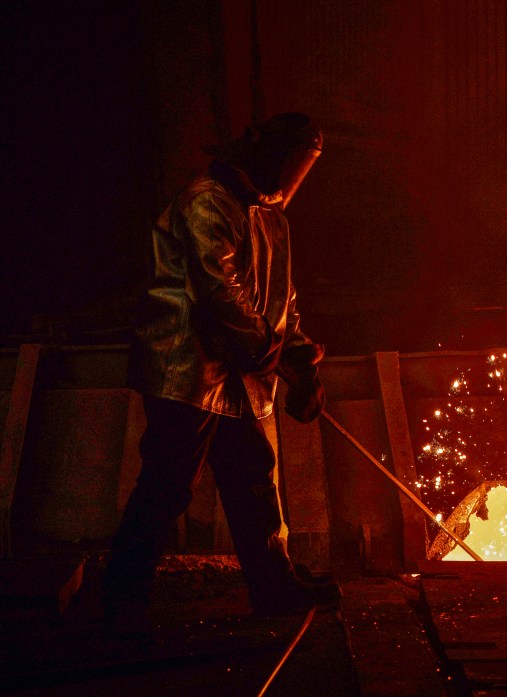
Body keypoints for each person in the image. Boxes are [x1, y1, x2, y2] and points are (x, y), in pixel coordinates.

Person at [103, 112, 337, 640]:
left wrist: (299, 360)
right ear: (268, 155)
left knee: (253, 476)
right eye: (295, 163)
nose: (296, 177)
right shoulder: (207, 202)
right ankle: (122, 602)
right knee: (167, 485)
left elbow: (280, 301)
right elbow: (219, 296)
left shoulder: (270, 213)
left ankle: (273, 586)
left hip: (233, 373)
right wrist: (276, 360)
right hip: (186, 368)